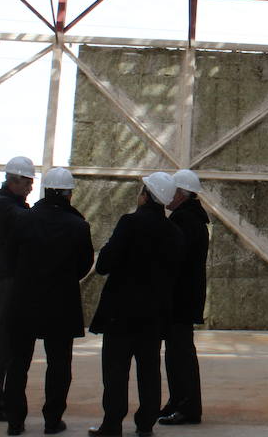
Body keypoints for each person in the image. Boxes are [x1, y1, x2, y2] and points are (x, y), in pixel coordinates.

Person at [89, 172, 183, 437]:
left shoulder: (130, 223)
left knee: (116, 370)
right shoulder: (174, 233)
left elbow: (105, 263)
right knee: (149, 370)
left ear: (145, 195)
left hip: (122, 312)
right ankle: (145, 424)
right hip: (154, 315)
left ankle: (112, 424)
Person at [3, 168, 94, 436]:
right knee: (59, 364)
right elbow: (84, 264)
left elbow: (9, 258)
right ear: (68, 193)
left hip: (24, 300)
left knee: (18, 362)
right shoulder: (78, 225)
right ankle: (53, 420)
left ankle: (14, 422)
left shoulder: (23, 219)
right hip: (61, 302)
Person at [0, 156, 36, 422]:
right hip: (6, 281)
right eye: (27, 182)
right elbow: (28, 222)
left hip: (7, 279)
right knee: (4, 342)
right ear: (13, 180)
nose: (30, 188)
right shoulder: (2, 206)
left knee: (6, 341)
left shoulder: (10, 204)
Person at [159, 169, 209, 426]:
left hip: (180, 298)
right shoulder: (188, 218)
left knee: (180, 353)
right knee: (176, 352)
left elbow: (174, 260)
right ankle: (177, 401)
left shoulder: (184, 221)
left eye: (172, 190)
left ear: (181, 194)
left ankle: (188, 407)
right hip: (184, 297)